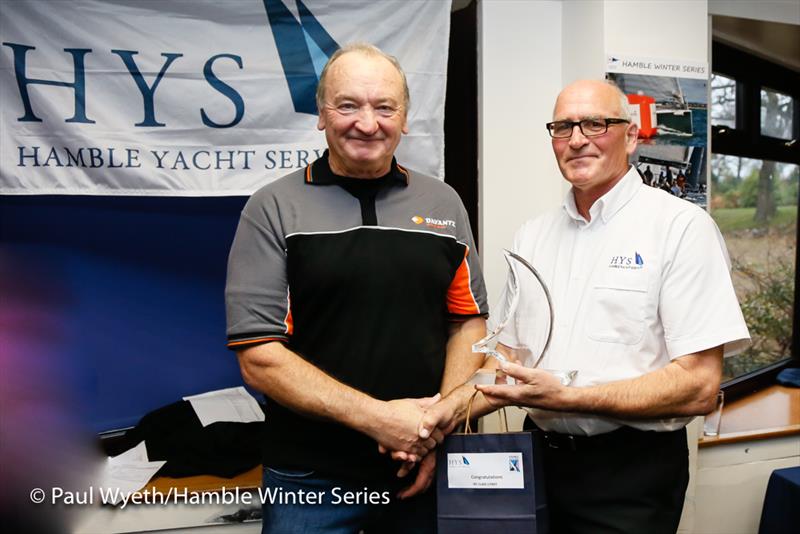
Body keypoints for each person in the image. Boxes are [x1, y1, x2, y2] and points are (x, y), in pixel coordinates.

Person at [225, 42, 490, 533]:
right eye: (348, 105)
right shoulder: (272, 208)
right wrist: (378, 419)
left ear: (406, 118)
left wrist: (434, 435)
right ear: (321, 115)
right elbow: (258, 355)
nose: (367, 123)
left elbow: (468, 322)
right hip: (309, 480)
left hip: (419, 469)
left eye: (384, 107)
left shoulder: (444, 203)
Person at [475, 80, 750, 534]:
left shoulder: (681, 228)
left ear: (631, 136)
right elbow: (507, 360)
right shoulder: (533, 235)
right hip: (537, 461)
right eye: (563, 127)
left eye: (595, 123)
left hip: (631, 476)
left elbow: (699, 385)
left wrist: (570, 399)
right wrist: (431, 417)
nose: (577, 138)